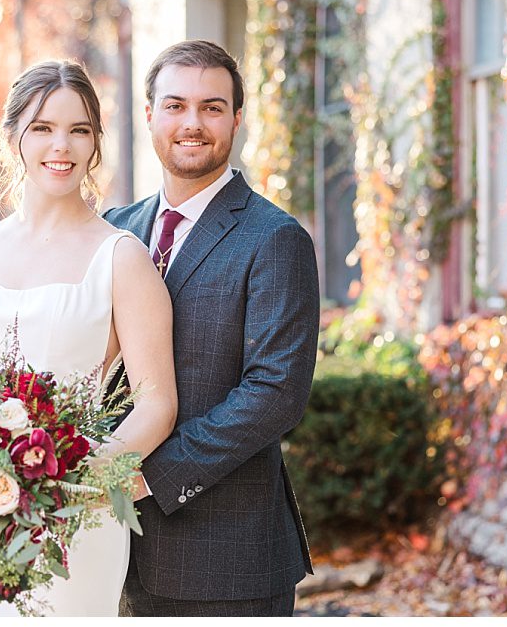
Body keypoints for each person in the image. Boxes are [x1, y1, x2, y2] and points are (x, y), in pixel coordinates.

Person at [0, 60, 178, 617]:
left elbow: (158, 403)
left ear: (96, 142)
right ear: (11, 138)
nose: (61, 146)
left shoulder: (122, 259)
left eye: (79, 130)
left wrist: (76, 481)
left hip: (75, 515)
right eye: (43, 128)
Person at [102, 39, 318, 617]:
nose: (192, 123)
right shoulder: (112, 231)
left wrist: (146, 477)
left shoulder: (274, 239)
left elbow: (275, 394)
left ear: (237, 119)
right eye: (175, 105)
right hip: (105, 552)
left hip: (225, 558)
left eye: (212, 107)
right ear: (148, 114)